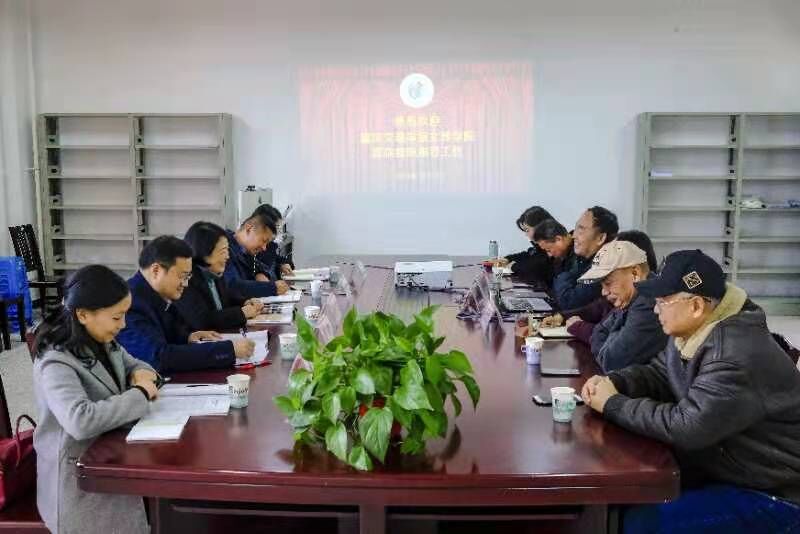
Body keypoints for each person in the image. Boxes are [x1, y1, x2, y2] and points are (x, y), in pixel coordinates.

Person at [582, 250, 800, 532]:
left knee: (639, 525)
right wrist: (615, 381)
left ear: (696, 305)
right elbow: (659, 372)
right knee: (618, 502)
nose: (656, 310)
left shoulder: (733, 353)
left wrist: (612, 403)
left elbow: (687, 426)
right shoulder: (695, 330)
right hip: (726, 468)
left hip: (773, 493)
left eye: (662, 302)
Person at [32, 265, 158, 534]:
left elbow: (139, 365)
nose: (123, 325)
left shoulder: (102, 339)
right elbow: (80, 421)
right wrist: (140, 393)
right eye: (117, 317)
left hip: (111, 455)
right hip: (77, 481)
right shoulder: (55, 360)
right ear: (83, 314)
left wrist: (141, 374)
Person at [117, 236, 254, 372]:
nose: (186, 284)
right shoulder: (129, 303)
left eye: (188, 276)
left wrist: (188, 337)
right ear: (156, 270)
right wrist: (228, 350)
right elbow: (159, 358)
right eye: (182, 276)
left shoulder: (154, 292)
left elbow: (168, 333)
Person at [550, 230, 659, 345]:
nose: (604, 292)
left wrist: (580, 327)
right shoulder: (626, 294)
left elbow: (612, 346)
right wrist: (564, 316)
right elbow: (599, 309)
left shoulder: (647, 301)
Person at [576, 239, 667, 372]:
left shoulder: (649, 303)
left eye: (608, 283)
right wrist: (610, 338)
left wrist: (607, 338)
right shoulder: (631, 298)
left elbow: (611, 361)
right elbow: (599, 331)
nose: (603, 292)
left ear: (635, 273)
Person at [175, 221, 263, 331]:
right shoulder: (186, 279)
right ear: (205, 253)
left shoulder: (213, 273)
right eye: (223, 251)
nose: (227, 257)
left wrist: (245, 302)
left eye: (227, 250)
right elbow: (202, 321)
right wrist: (241, 313)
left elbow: (226, 299)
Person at [551, 206, 618, 310]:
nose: (574, 236)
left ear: (600, 238)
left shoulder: (604, 266)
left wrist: (565, 275)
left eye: (581, 230)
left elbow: (568, 301)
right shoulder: (583, 259)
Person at [225, 212, 289, 298]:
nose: (264, 248)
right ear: (249, 229)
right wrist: (271, 288)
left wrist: (260, 272)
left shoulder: (245, 251)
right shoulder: (224, 248)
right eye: (264, 241)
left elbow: (257, 266)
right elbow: (233, 286)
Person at [494, 206, 554, 284]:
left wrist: (513, 266)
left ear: (539, 226)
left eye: (527, 230)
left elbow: (535, 267)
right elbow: (528, 255)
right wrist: (507, 259)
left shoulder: (552, 246)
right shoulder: (541, 246)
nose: (526, 234)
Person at [251, 203, 294, 281]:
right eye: (277, 227)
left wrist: (283, 264)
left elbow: (276, 258)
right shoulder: (251, 249)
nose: (278, 232)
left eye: (279, 227)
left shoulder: (270, 245)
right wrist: (260, 275)